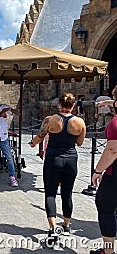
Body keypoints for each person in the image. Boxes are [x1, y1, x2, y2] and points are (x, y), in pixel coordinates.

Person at [29, 92, 86, 240]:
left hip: (53, 158)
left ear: (59, 104)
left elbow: (41, 135)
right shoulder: (80, 122)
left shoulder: (50, 120)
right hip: (71, 159)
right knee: (67, 194)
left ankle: (53, 228)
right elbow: (79, 143)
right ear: (73, 105)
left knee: (50, 193)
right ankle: (66, 226)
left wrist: (34, 143)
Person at [90, 86, 117, 254]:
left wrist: (98, 170)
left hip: (115, 174)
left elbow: (113, 150)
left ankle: (108, 252)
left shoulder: (115, 123)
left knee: (105, 207)